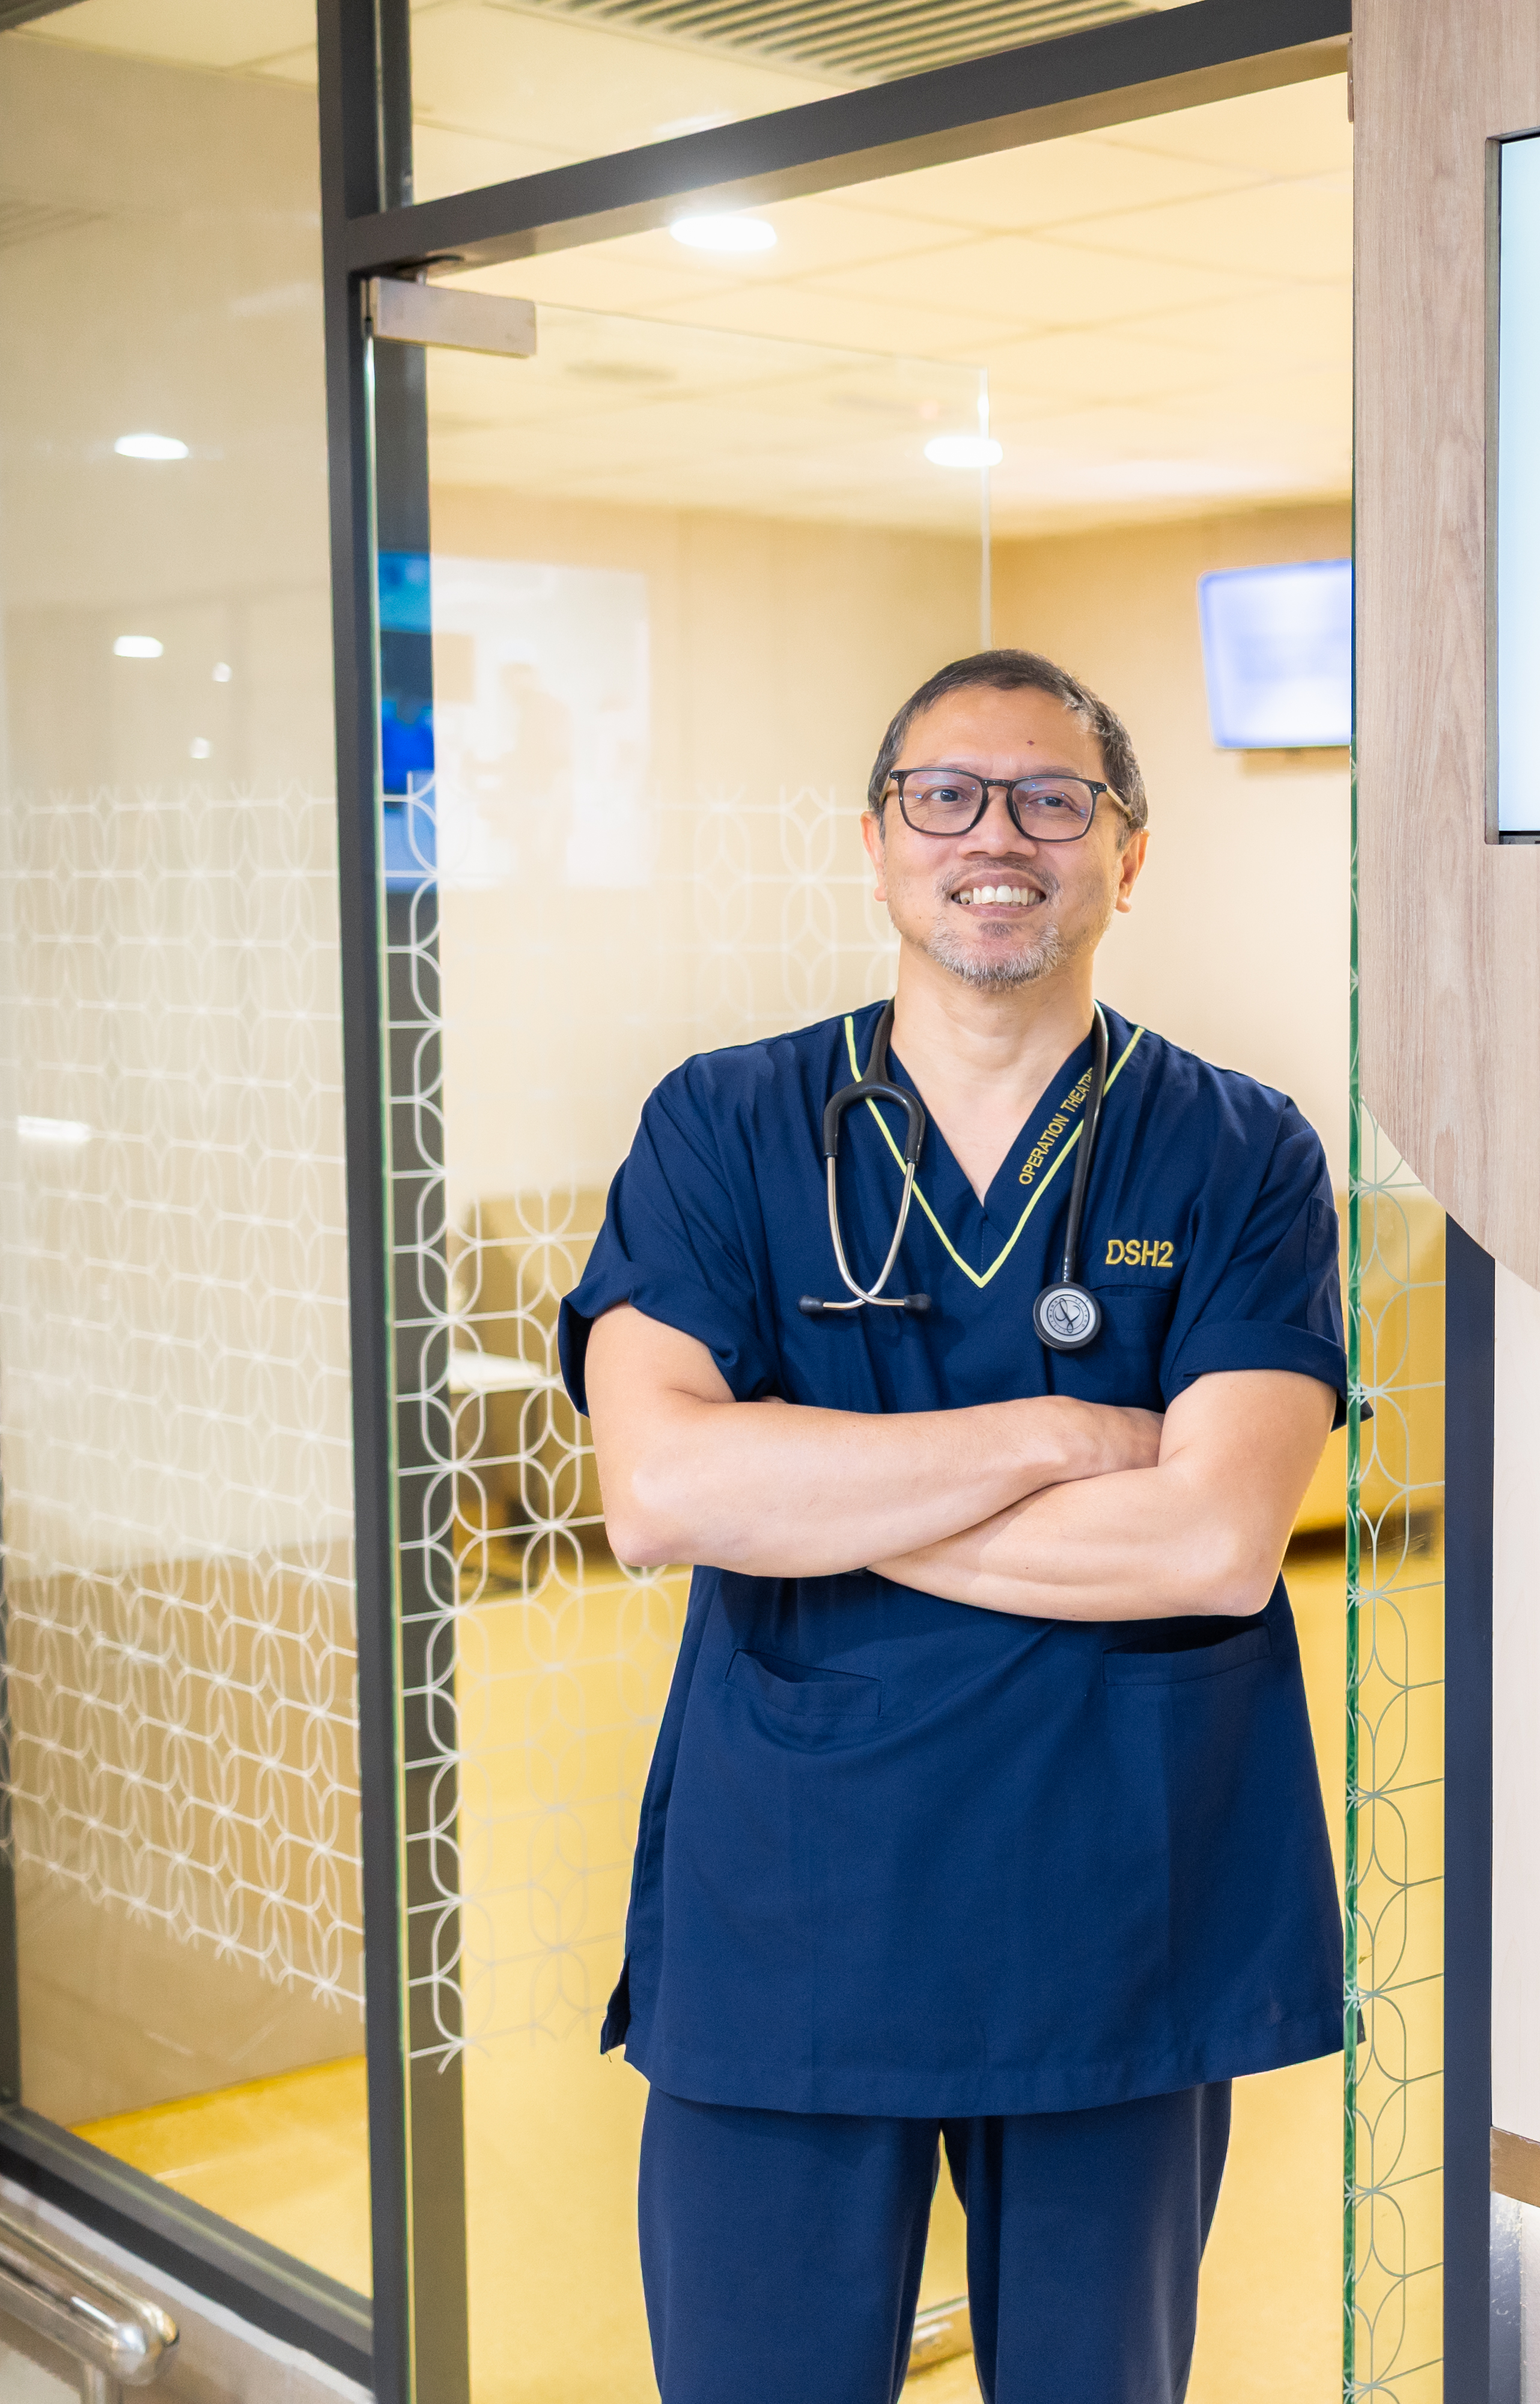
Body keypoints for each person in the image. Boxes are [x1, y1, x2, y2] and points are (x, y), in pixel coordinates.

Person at [561, 649, 1347, 2404]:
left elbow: (1213, 1540)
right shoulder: (726, 1123)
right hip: (794, 1918)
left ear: (1126, 855)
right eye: (947, 794)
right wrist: (1055, 1436)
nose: (997, 836)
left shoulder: (1236, 1154)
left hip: (1112, 1922)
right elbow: (662, 1493)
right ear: (874, 840)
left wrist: (821, 1487)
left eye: (1052, 799)